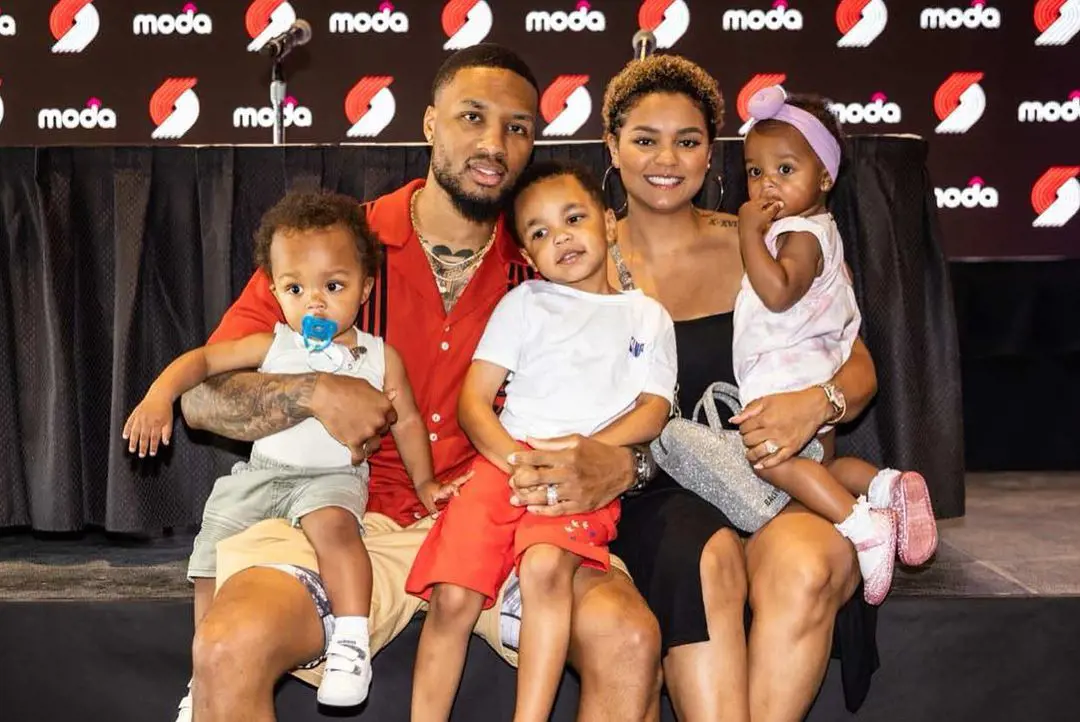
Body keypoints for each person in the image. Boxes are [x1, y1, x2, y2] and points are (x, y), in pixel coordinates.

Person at [178, 44, 662, 722]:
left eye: (518, 128)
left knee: (629, 639)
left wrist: (625, 464)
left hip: (505, 520)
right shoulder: (334, 248)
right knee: (228, 645)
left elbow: (647, 405)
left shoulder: (552, 268)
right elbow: (201, 400)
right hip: (337, 515)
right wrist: (311, 390)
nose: (494, 143)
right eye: (473, 117)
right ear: (430, 124)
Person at [503, 54, 880, 722]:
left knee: (809, 565)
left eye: (688, 140)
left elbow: (858, 368)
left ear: (714, 154)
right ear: (611, 148)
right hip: (638, 493)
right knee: (701, 560)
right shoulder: (576, 256)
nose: (666, 159)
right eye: (645, 139)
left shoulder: (766, 248)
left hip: (769, 481)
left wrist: (814, 404)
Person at [123, 191, 445, 709]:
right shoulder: (274, 343)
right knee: (208, 561)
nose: (314, 302)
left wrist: (426, 483)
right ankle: (202, 679)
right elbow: (202, 363)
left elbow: (407, 423)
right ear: (275, 290)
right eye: (296, 288)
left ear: (365, 288)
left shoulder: (380, 356)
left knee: (336, 531)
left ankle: (350, 641)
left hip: (330, 477)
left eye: (333, 286)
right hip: (263, 472)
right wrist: (159, 396)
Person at [406, 161, 676, 722]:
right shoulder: (525, 303)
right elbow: (473, 402)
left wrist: (581, 453)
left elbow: (654, 409)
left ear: (608, 222)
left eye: (573, 218)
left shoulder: (647, 316)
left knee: (546, 568)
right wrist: (515, 459)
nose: (561, 238)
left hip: (576, 481)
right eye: (540, 233)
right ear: (528, 257)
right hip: (503, 466)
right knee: (452, 597)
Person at [734, 85, 938, 605]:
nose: (766, 185)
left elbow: (779, 293)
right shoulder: (818, 227)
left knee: (769, 461)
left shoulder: (799, 233)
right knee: (819, 468)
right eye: (755, 172)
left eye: (785, 170)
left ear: (825, 176)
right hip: (810, 367)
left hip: (788, 374)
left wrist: (747, 235)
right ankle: (886, 485)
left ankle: (860, 523)